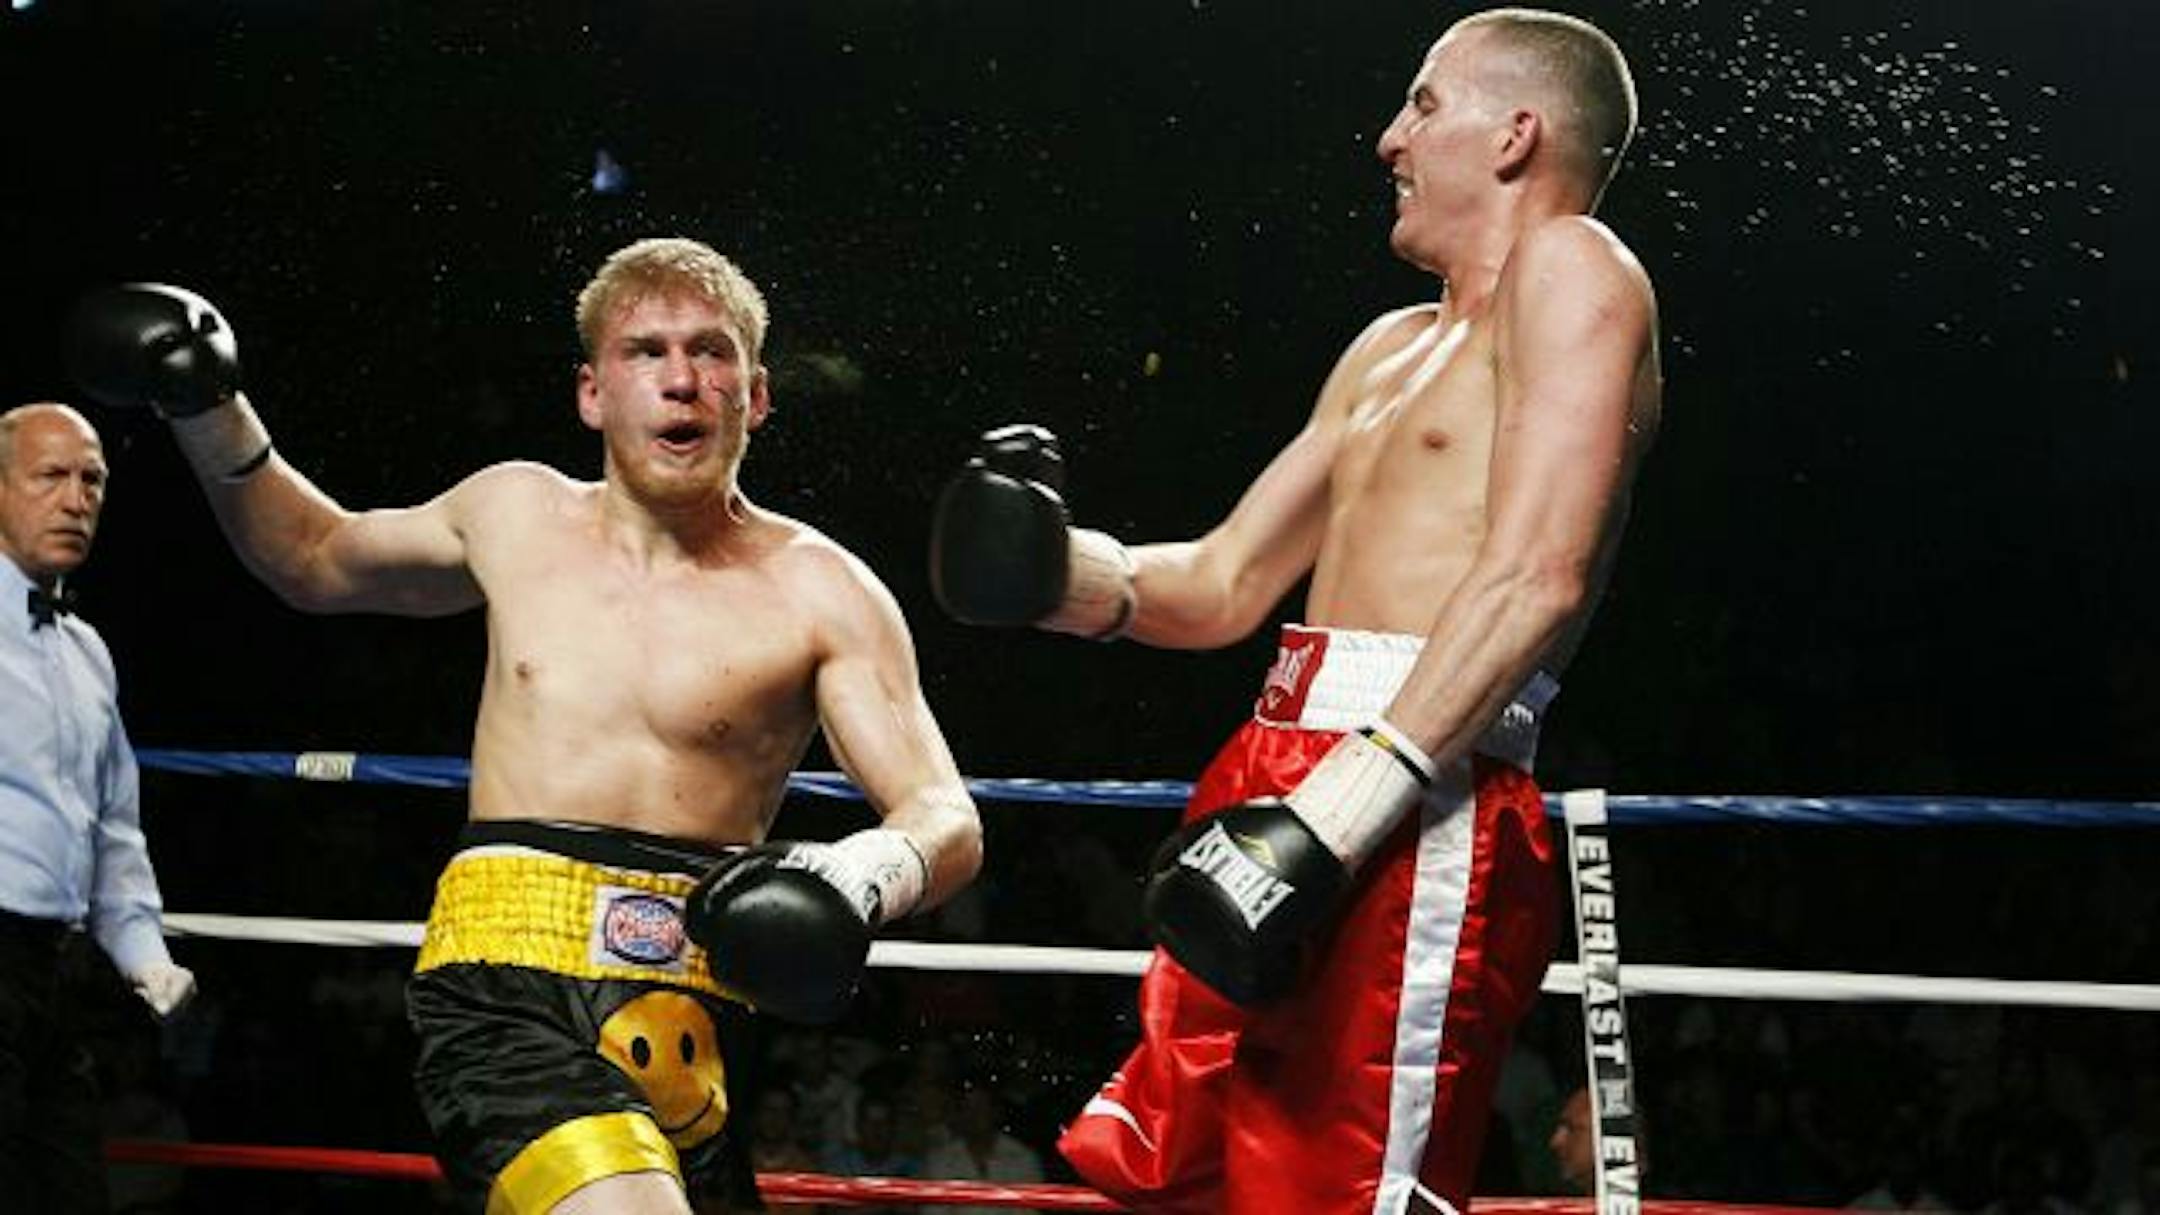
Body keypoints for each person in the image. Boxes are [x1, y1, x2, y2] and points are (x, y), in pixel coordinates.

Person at [66, 237, 985, 1214]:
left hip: (696, 1011)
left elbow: (942, 815)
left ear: (755, 396)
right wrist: (208, 408)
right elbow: (314, 555)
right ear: (593, 392)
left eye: (712, 353)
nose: (682, 380)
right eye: (647, 352)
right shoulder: (515, 513)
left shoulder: (825, 590)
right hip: (505, 981)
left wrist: (854, 874)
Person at [931, 8, 1658, 1213]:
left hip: (1413, 793)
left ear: (1519, 134)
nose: (1389, 139)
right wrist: (1051, 572)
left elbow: (1538, 575)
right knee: (1188, 1177)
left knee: (1342, 1188)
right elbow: (1221, 583)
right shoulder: (1386, 349)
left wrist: (1341, 813)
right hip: (1282, 765)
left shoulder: (1578, 266)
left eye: (1425, 104)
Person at [0, 402, 196, 1214]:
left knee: (70, 1188)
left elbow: (113, 826)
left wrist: (144, 953)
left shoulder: (87, 654)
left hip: (55, 971)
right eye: (50, 476)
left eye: (92, 480)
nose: (76, 498)